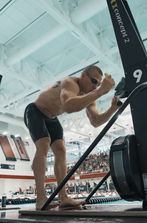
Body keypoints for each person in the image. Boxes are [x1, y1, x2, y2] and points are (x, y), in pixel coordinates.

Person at [24, 65, 119, 210]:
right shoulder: (70, 83)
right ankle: (41, 198)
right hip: (35, 111)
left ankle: (63, 197)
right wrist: (100, 91)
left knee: (61, 150)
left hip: (52, 117)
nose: (95, 86)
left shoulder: (90, 95)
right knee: (44, 144)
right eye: (93, 81)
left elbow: (95, 121)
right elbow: (68, 106)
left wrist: (113, 108)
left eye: (98, 84)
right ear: (83, 76)